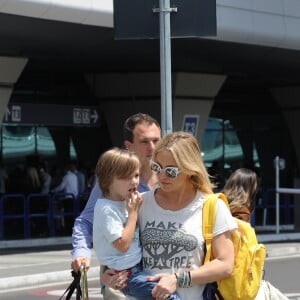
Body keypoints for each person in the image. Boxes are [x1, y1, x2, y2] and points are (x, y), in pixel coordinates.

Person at [103, 131, 237, 300]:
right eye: (156, 167)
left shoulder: (212, 206)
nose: (161, 175)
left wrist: (178, 279)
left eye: (171, 171)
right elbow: (118, 249)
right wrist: (108, 276)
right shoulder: (139, 203)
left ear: (190, 168)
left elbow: (225, 264)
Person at [71, 113, 161, 270]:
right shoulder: (112, 182)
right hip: (119, 273)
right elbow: (86, 221)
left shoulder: (170, 175)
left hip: (163, 272)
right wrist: (81, 253)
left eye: (156, 141)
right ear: (129, 145)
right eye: (144, 142)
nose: (152, 147)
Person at [93, 147, 180, 300]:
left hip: (135, 269)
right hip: (126, 275)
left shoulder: (126, 202)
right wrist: (133, 213)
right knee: (169, 297)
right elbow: (122, 245)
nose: (134, 181)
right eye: (126, 177)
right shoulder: (107, 208)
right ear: (108, 179)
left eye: (136, 175)